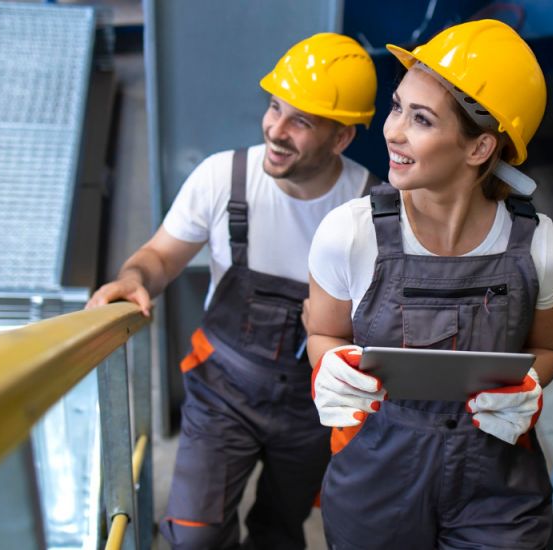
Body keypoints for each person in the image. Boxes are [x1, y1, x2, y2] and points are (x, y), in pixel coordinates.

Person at [86, 33, 379, 550]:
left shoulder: (370, 212)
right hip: (222, 392)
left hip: (314, 408)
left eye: (301, 121)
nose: (275, 130)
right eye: (274, 108)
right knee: (195, 539)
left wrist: (337, 329)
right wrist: (133, 278)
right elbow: (158, 257)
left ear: (342, 139)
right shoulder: (224, 178)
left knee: (280, 534)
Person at [305, 20, 553, 549]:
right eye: (397, 107)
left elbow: (547, 347)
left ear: (479, 148)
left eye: (421, 119)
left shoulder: (545, 249)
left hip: (497, 481)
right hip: (376, 471)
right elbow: (323, 336)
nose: (393, 131)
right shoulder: (350, 233)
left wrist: (529, 388)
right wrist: (330, 364)